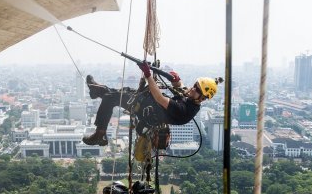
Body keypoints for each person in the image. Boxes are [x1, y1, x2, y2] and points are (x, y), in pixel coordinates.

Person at [82, 61, 221, 146]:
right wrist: (176, 79)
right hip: (147, 103)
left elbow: (160, 98)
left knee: (110, 98)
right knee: (119, 92)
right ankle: (96, 89)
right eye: (195, 85)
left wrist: (148, 74)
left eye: (197, 89)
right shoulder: (191, 99)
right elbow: (181, 87)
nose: (193, 88)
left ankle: (100, 133)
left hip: (145, 111)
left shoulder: (185, 110)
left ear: (202, 98)